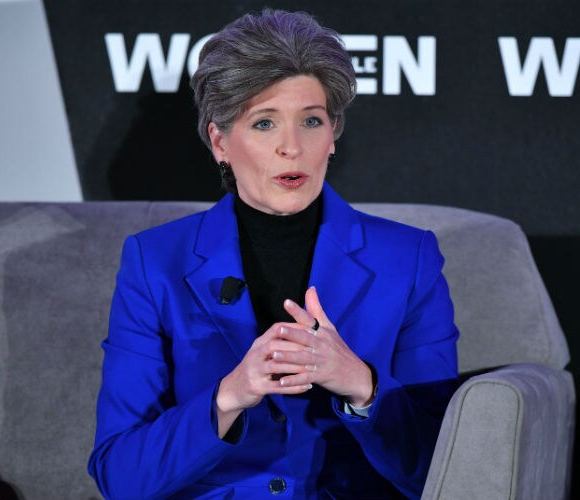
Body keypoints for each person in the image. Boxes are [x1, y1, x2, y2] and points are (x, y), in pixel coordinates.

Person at [88, 9, 458, 500]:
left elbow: (444, 470)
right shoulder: (155, 263)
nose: (292, 147)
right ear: (220, 141)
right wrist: (229, 396)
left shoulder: (408, 260)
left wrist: (362, 385)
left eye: (311, 121)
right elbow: (120, 478)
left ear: (333, 134)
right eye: (264, 123)